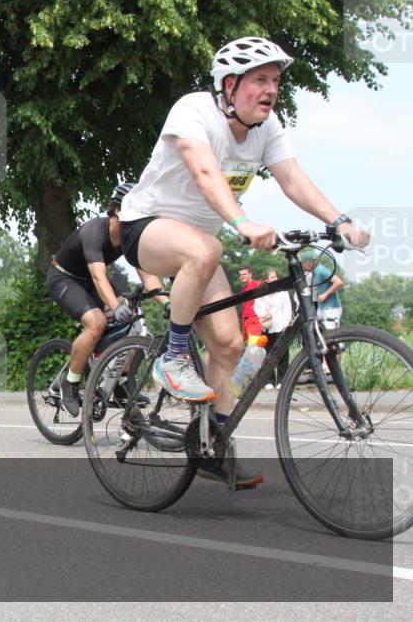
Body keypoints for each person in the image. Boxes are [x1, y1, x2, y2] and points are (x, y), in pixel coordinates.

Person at [118, 36, 370, 489]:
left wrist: (340, 221)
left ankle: (211, 441)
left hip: (199, 244)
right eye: (260, 80)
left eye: (275, 81)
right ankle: (172, 358)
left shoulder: (267, 129)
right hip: (148, 228)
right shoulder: (194, 110)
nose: (271, 90)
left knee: (230, 346)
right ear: (229, 85)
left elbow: (292, 178)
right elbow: (204, 171)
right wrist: (243, 222)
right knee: (206, 248)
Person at [47, 182, 165, 417]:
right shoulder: (94, 230)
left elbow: (147, 273)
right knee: (96, 323)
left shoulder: (129, 237)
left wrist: (167, 302)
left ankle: (120, 382)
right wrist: (113, 306)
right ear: (118, 210)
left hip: (89, 281)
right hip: (64, 278)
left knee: (134, 321)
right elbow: (99, 277)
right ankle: (70, 382)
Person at [254, 269, 293, 389]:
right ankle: (269, 380)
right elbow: (257, 307)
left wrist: (287, 323)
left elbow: (287, 309)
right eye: (272, 277)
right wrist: (263, 315)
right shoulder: (261, 293)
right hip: (267, 326)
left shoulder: (283, 293)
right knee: (267, 353)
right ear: (266, 280)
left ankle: (282, 380)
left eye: (276, 277)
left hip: (281, 325)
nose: (275, 279)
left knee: (282, 353)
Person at [301, 249, 344, 330]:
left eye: (303, 263)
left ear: (309, 263)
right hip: (322, 307)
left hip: (331, 308)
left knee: (331, 335)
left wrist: (325, 294)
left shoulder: (321, 270)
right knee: (321, 333)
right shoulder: (315, 272)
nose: (302, 265)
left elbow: (338, 282)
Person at [238, 267, 263, 340]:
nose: (242, 276)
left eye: (245, 274)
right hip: (245, 321)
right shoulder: (243, 289)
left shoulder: (256, 284)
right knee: (249, 346)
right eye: (240, 275)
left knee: (254, 345)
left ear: (250, 274)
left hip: (253, 319)